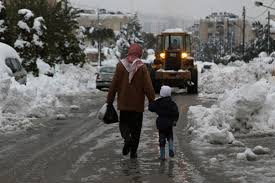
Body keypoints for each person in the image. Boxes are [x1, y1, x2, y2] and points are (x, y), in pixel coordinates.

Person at [107, 43, 155, 159]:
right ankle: (133, 152)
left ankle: (126, 139)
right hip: (137, 106)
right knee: (136, 129)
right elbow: (147, 86)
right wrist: (152, 100)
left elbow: (114, 84)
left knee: (124, 125)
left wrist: (109, 100)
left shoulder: (120, 66)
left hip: (123, 104)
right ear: (139, 53)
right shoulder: (141, 67)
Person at [148, 85, 179, 160]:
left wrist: (152, 101)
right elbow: (176, 112)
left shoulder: (158, 102)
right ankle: (171, 147)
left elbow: (151, 108)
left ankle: (162, 156)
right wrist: (175, 120)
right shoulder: (172, 103)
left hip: (161, 123)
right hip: (169, 123)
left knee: (161, 138)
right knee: (169, 135)